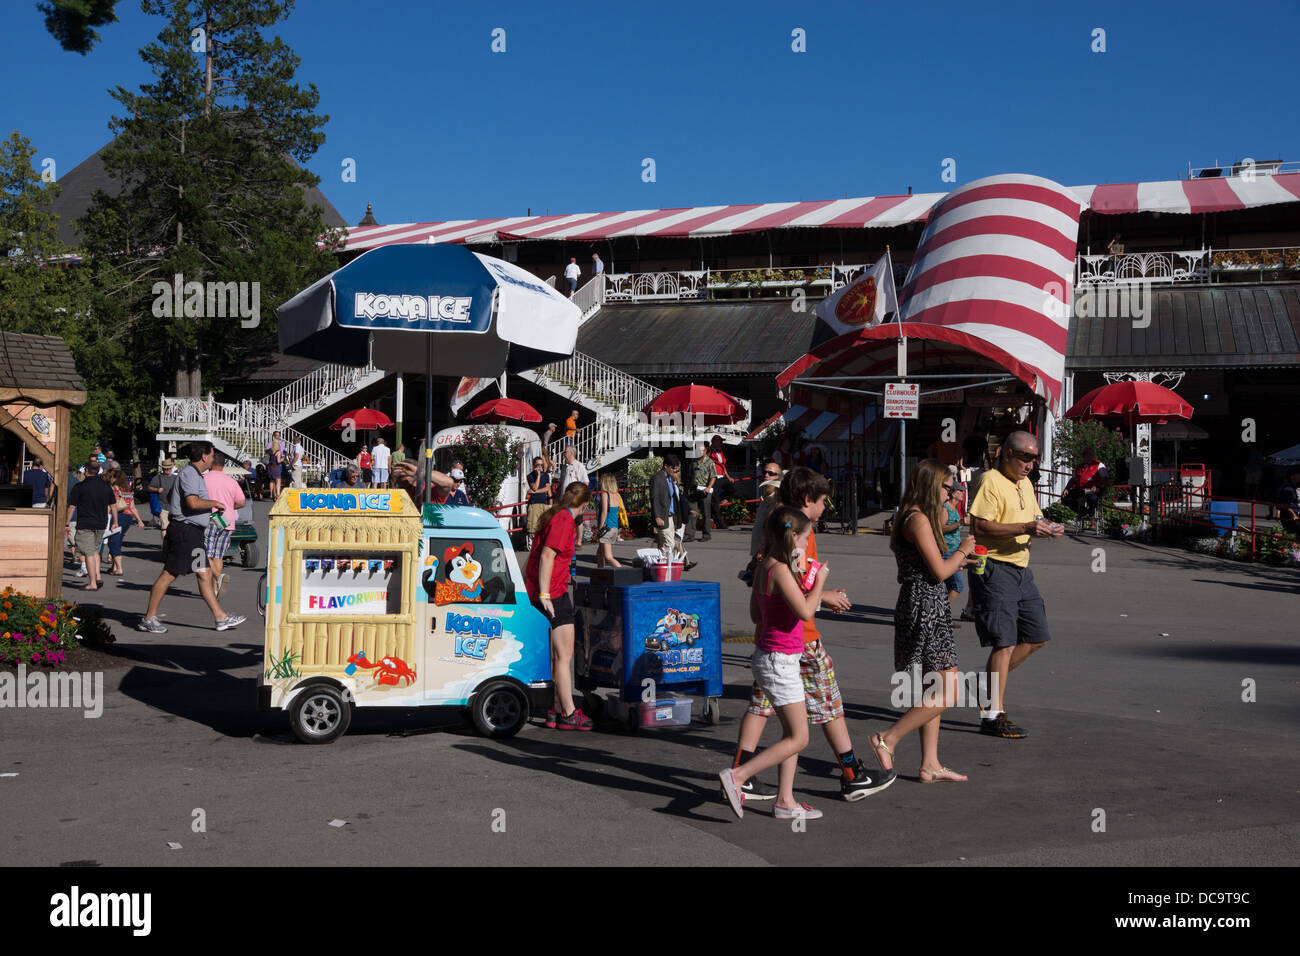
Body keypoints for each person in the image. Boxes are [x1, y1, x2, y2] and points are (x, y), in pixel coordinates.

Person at [729, 467, 895, 802]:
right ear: (807, 500)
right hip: (799, 637)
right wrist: (824, 591)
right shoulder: (797, 532)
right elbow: (799, 584)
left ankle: (749, 773)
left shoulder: (776, 525)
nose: (824, 509)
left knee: (762, 706)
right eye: (822, 502)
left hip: (770, 636)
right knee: (828, 704)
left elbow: (776, 584)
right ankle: (851, 775)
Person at [719, 506, 834, 821]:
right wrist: (820, 580)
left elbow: (757, 615)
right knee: (800, 736)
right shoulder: (781, 570)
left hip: (772, 656)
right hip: (779, 660)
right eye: (805, 540)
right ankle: (738, 777)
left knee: (789, 732)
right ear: (793, 536)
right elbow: (806, 612)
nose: (806, 546)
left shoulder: (765, 566)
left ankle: (785, 800)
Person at [868, 461, 978, 784]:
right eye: (947, 487)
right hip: (925, 602)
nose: (951, 493)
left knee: (935, 683)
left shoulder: (917, 515)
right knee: (949, 689)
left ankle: (930, 762)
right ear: (932, 485)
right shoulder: (917, 519)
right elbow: (940, 571)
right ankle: (887, 738)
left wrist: (962, 559)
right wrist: (963, 551)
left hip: (927, 600)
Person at [967, 430, 1064, 738]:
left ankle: (987, 684)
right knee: (1004, 642)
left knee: (1037, 637)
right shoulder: (990, 481)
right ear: (1007, 454)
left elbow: (1034, 517)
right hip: (995, 568)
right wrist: (1026, 526)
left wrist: (1048, 526)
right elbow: (980, 526)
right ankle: (992, 714)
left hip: (1021, 568)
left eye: (1034, 459)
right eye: (1025, 457)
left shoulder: (1025, 484)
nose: (1030, 464)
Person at [138, 441, 245, 633]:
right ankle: (148, 618)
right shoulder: (189, 474)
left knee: (204, 574)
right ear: (204, 456)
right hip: (185, 531)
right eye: (211, 455)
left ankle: (220, 617)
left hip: (192, 532)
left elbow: (173, 497)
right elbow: (193, 502)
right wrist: (215, 504)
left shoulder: (193, 475)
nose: (212, 458)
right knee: (169, 573)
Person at [525, 482, 594, 730]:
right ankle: (568, 711)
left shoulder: (553, 514)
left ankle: (553, 710)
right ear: (584, 505)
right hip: (553, 593)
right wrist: (545, 593)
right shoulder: (565, 519)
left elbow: (543, 556)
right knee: (563, 656)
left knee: (554, 656)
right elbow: (547, 555)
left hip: (545, 588)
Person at [66, 458, 115, 591]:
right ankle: (98, 576)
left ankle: (92, 582)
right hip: (101, 523)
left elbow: (71, 507)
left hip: (85, 523)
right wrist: (115, 521)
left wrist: (66, 523)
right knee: (94, 551)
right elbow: (113, 505)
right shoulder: (106, 486)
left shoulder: (80, 487)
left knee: (88, 553)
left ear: (86, 471)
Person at [204, 452, 247, 598]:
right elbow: (241, 502)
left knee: (205, 553)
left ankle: (217, 578)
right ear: (223, 465)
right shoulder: (231, 481)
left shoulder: (204, 479)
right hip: (226, 519)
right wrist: (229, 506)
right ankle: (215, 588)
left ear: (211, 463)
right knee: (218, 555)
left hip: (209, 517)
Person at [650, 454, 689, 560]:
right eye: (672, 468)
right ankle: (664, 566)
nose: (674, 470)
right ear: (665, 466)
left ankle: (661, 566)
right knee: (669, 544)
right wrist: (657, 516)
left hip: (671, 516)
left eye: (676, 468)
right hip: (662, 516)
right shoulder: (657, 478)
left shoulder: (669, 478)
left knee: (666, 544)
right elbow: (655, 498)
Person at [105, 469, 142, 577]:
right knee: (118, 540)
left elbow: (111, 506)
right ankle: (114, 567)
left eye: (111, 477)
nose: (110, 479)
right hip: (128, 518)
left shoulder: (114, 489)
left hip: (118, 517)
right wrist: (139, 520)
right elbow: (132, 507)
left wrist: (106, 518)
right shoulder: (128, 490)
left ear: (115, 478)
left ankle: (119, 568)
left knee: (113, 542)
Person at [941, 479, 967, 619]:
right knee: (958, 585)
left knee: (949, 586)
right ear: (952, 494)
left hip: (954, 550)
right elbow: (941, 528)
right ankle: (943, 615)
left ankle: (941, 614)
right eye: (959, 491)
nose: (962, 493)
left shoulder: (955, 508)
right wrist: (960, 523)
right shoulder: (945, 508)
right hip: (947, 551)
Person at [1062, 446, 1109, 519]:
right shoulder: (1079, 466)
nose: (1087, 456)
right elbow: (1073, 479)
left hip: (1093, 489)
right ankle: (1083, 511)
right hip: (1081, 490)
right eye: (1085, 454)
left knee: (1092, 497)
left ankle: (1091, 512)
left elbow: (1105, 478)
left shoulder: (1099, 465)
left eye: (1089, 454)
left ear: (1092, 455)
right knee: (1065, 497)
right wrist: (1067, 488)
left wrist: (1096, 485)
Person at [685, 442, 715, 543]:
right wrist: (686, 489)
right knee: (692, 512)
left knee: (706, 513)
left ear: (706, 450)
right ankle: (690, 535)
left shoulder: (710, 462)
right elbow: (690, 477)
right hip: (694, 490)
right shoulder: (693, 462)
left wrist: (708, 487)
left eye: (702, 450)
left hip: (705, 491)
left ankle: (706, 535)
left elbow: (713, 477)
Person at [706, 435, 736, 529]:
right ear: (715, 442)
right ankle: (719, 523)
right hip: (714, 478)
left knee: (732, 489)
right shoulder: (710, 451)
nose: (722, 443)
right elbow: (706, 457)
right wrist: (711, 447)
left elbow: (723, 467)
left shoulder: (721, 453)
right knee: (714, 500)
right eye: (720, 441)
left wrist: (729, 477)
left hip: (722, 477)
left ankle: (720, 498)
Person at [596, 473, 624, 569]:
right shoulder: (617, 495)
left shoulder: (605, 494)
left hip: (606, 528)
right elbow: (621, 510)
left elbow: (604, 512)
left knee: (608, 557)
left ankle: (623, 572)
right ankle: (600, 574)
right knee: (600, 554)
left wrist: (600, 527)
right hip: (614, 527)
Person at [525, 455, 552, 549]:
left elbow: (547, 488)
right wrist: (539, 476)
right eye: (538, 465)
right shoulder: (530, 476)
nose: (540, 467)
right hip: (534, 504)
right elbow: (535, 486)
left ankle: (542, 545)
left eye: (541, 465)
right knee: (533, 526)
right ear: (533, 466)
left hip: (544, 503)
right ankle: (531, 546)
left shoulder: (546, 475)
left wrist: (535, 491)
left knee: (544, 526)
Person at [1276, 466, 1300, 535]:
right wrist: (1294, 515)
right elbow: (1285, 504)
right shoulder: (1288, 488)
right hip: (1289, 517)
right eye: (1298, 474)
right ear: (1292, 476)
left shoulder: (1292, 486)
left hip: (1292, 516)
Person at [266, 432, 285, 500]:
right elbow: (279, 460)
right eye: (277, 435)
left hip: (271, 466)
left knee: (272, 480)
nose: (278, 436)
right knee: (277, 481)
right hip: (276, 465)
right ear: (274, 436)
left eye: (279, 435)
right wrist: (282, 459)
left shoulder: (272, 449)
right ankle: (277, 494)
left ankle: (272, 494)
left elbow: (284, 451)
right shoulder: (272, 445)